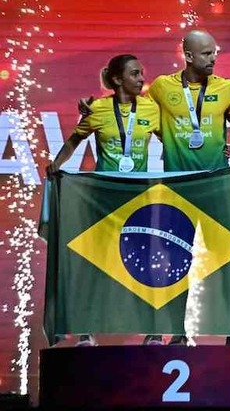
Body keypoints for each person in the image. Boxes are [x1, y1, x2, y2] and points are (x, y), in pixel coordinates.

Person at [81, 30, 230, 345]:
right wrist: (91, 107)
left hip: (218, 187)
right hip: (177, 190)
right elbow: (132, 112)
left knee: (229, 260)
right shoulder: (162, 87)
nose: (213, 58)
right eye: (206, 54)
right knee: (173, 263)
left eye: (214, 52)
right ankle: (171, 332)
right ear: (188, 56)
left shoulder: (227, 88)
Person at [49, 54, 161, 347]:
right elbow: (74, 141)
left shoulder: (151, 108)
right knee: (95, 266)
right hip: (103, 199)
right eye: (135, 74)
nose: (141, 79)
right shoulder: (97, 109)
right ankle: (85, 331)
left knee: (146, 266)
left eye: (141, 73)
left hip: (139, 200)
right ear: (117, 79)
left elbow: (175, 142)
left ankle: (153, 332)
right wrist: (56, 165)